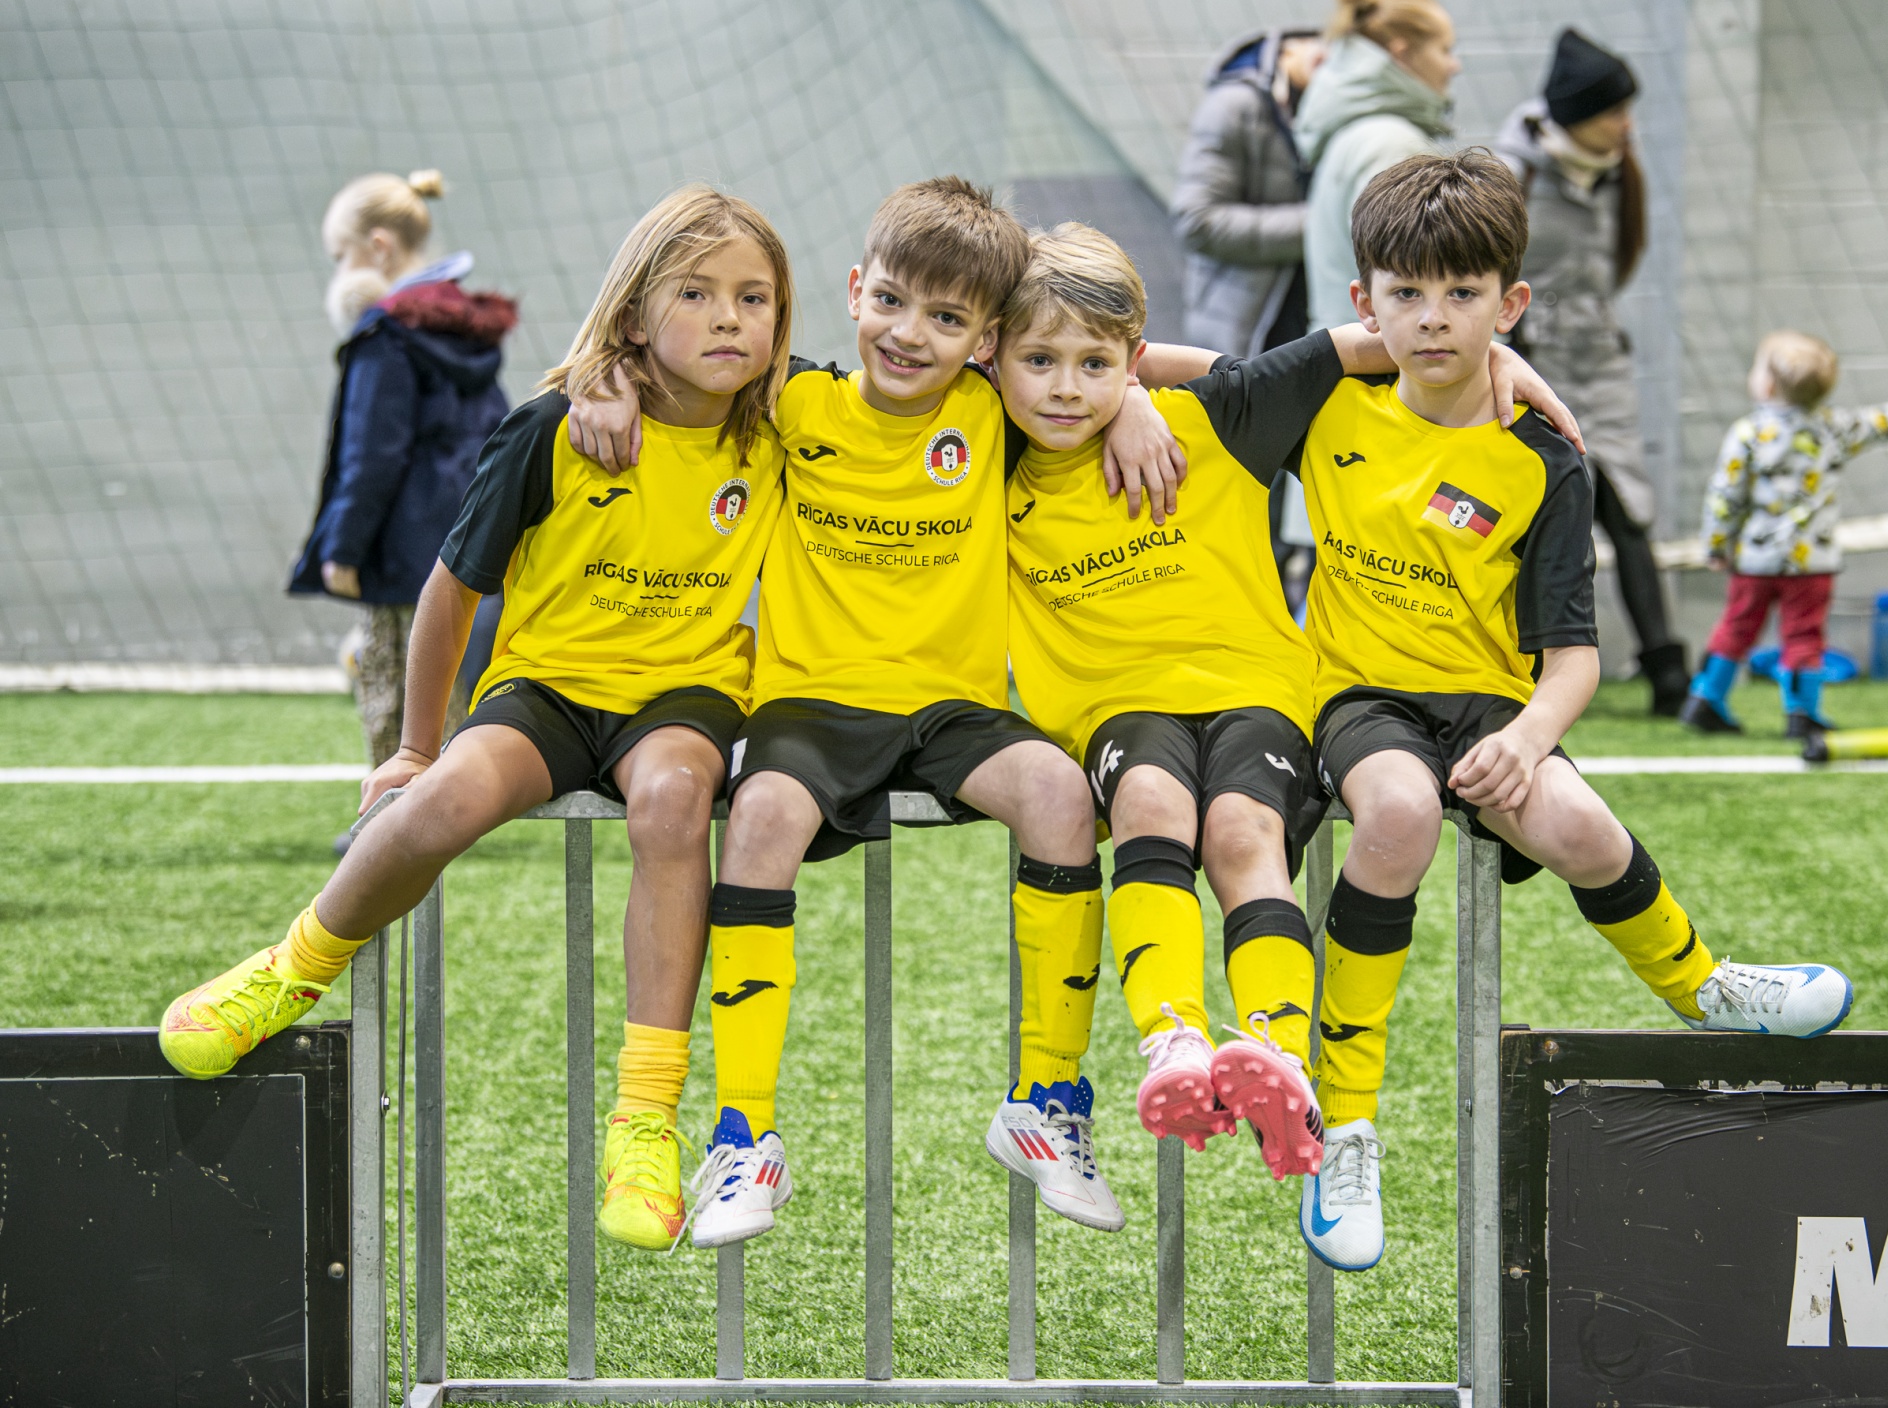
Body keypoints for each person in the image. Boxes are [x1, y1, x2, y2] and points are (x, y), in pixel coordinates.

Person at [162, 187, 795, 1256]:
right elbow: (451, 592)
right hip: (544, 687)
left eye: (754, 297)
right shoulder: (553, 427)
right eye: (695, 293)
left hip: (683, 696)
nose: (729, 317)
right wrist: (417, 745)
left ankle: (646, 1119)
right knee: (441, 797)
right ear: (633, 313)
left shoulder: (788, 424)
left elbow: (922, 379)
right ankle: (291, 969)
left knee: (675, 800)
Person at [563, 178, 1188, 1247]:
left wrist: (1131, 389)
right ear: (856, 290)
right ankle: (741, 1135)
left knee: (1057, 792)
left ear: (984, 341)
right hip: (812, 701)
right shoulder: (787, 401)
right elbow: (673, 363)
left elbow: (1100, 353)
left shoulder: (994, 409)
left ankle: (1045, 1102)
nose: (908, 334)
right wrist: (598, 377)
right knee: (761, 817)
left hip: (950, 705)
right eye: (892, 302)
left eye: (946, 319)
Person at [1289, 152, 1856, 1272]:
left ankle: (1703, 986)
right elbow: (1175, 375)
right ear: (1365, 303)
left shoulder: (1546, 459)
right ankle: (1342, 1123)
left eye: (1463, 295)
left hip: (1494, 706)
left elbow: (1575, 661)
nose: (1434, 318)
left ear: (1510, 304)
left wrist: (1527, 738)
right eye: (1407, 293)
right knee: (1397, 814)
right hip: (1355, 693)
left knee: (1584, 827)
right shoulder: (1325, 402)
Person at [996, 225, 1577, 1187]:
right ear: (995, 361)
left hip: (1259, 691)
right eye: (1040, 363)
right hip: (1117, 708)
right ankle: (1175, 1040)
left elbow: (1359, 343)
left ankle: (1277, 1054)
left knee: (1245, 833)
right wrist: (1126, 390)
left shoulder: (1216, 417)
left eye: (1095, 365)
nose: (1065, 389)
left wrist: (1494, 356)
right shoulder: (982, 445)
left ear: (1133, 357)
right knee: (1151, 803)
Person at [292, 170, 517, 777]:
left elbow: (372, 454)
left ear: (378, 248)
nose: (339, 270)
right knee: (449, 698)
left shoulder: (385, 337)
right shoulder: (467, 331)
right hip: (465, 545)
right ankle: (448, 803)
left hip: (399, 553)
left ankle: (397, 814)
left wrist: (343, 548)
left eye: (340, 256)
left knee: (395, 697)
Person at [1495, 28, 1690, 717]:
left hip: (1602, 364)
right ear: (1576, 114)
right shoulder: (1513, 173)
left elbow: (1621, 257)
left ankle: (1669, 673)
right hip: (1530, 364)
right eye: (1613, 112)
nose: (1625, 125)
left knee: (1629, 510)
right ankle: (1515, 671)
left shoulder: (1616, 171)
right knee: (1529, 518)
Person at [1682, 331, 1888, 737]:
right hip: (1811, 562)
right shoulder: (1834, 428)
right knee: (1804, 634)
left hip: (1756, 561)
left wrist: (1717, 545)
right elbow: (1880, 422)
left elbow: (1725, 495)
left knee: (1736, 626)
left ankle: (1705, 698)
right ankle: (1802, 714)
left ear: (1767, 385)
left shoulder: (1747, 433)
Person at [1173, 24, 1328, 612]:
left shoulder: (1319, 116)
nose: (1331, 64)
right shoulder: (1235, 104)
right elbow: (1197, 219)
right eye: (1321, 51)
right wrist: (1318, 224)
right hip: (1246, 337)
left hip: (1304, 333)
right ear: (1286, 48)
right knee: (1247, 491)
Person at [1294, 0, 1458, 335]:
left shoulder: (1359, 134)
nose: (1454, 65)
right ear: (1403, 53)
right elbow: (1413, 280)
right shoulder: (1392, 146)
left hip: (1351, 350)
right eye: (1445, 50)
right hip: (1386, 355)